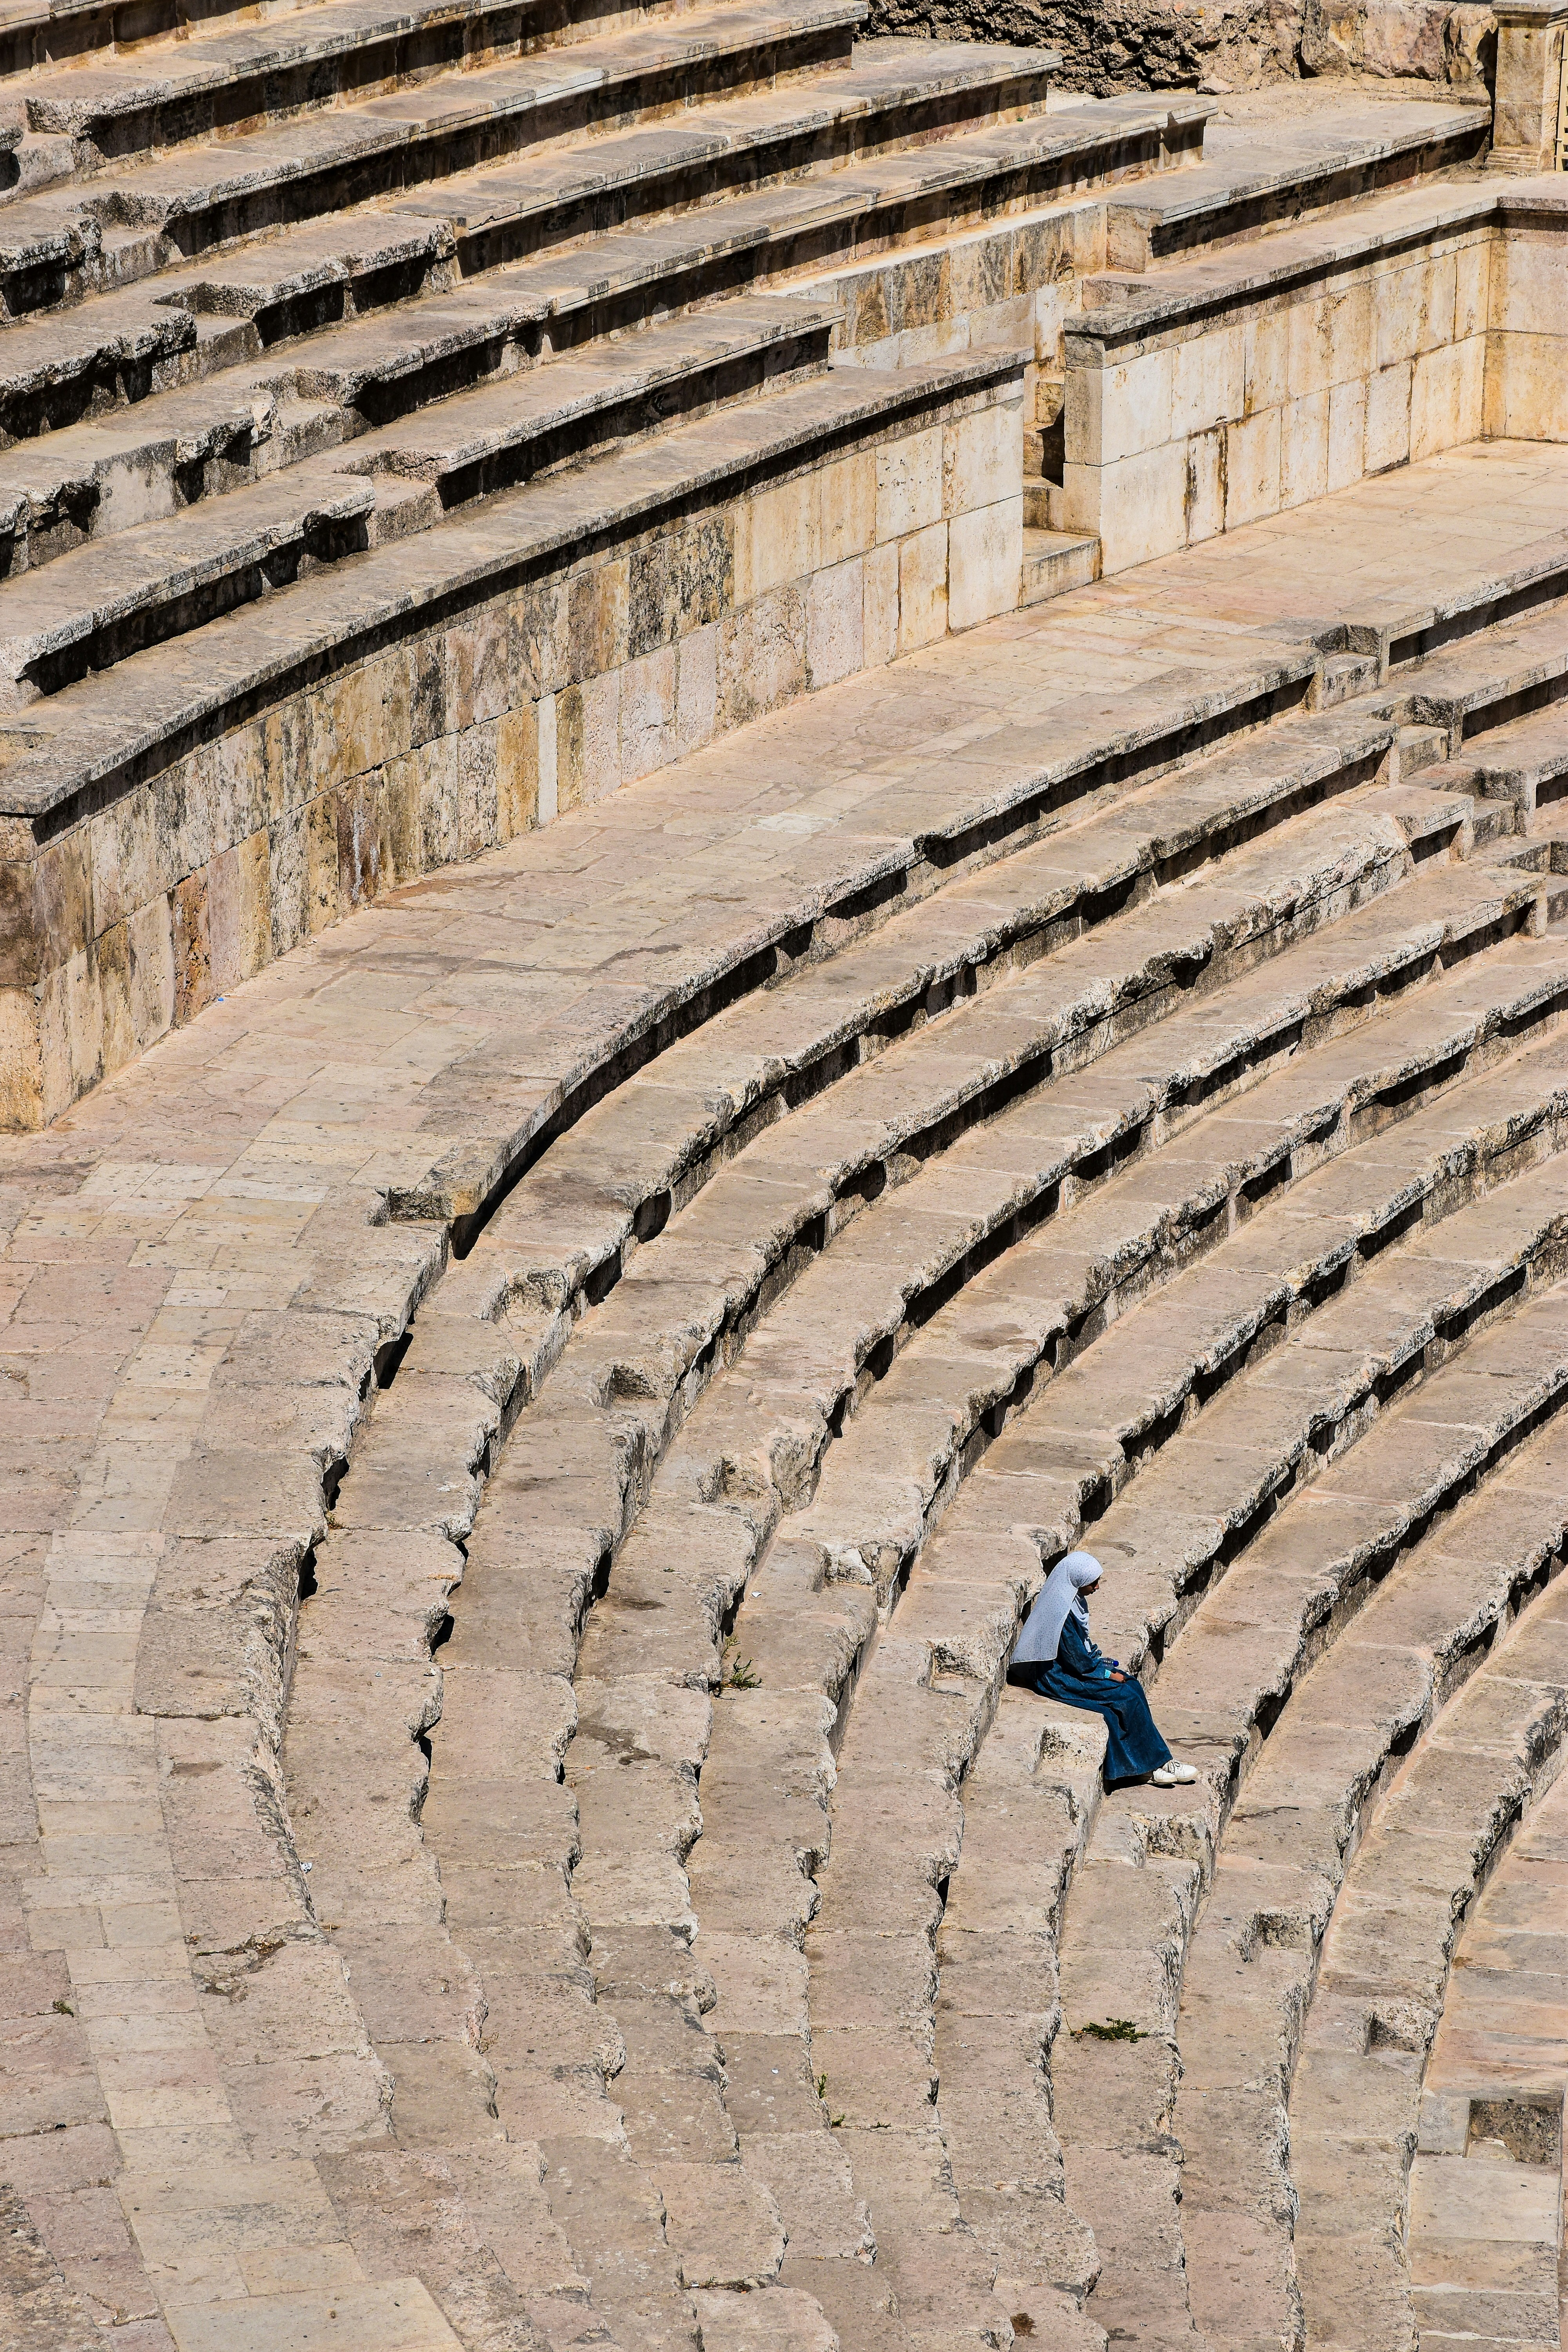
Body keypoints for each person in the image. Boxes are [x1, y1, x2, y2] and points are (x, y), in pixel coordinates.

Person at [1006, 1550, 1197, 1789]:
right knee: (1125, 1696)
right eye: (1093, 1583)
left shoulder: (1072, 1601)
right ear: (1078, 1583)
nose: (1097, 1587)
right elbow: (1080, 1664)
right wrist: (1107, 1674)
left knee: (1132, 1687)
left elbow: (1080, 1653)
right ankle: (1150, 1767)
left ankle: (1158, 1761)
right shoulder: (1064, 1616)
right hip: (1057, 1677)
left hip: (1068, 1669)